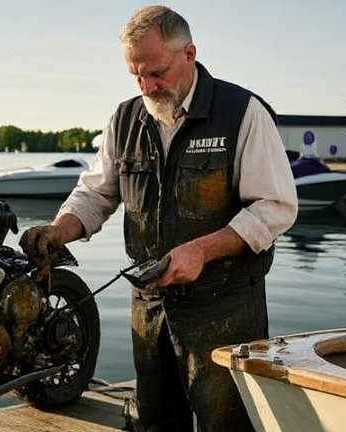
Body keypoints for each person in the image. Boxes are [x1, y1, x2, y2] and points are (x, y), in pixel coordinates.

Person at [19, 5, 297, 432]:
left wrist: (201, 250)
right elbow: (96, 191)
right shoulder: (125, 118)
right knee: (157, 421)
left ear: (189, 53)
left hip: (223, 310)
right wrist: (60, 230)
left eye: (157, 72)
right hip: (149, 308)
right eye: (136, 75)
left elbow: (275, 207)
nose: (147, 86)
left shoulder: (242, 112)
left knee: (227, 424)